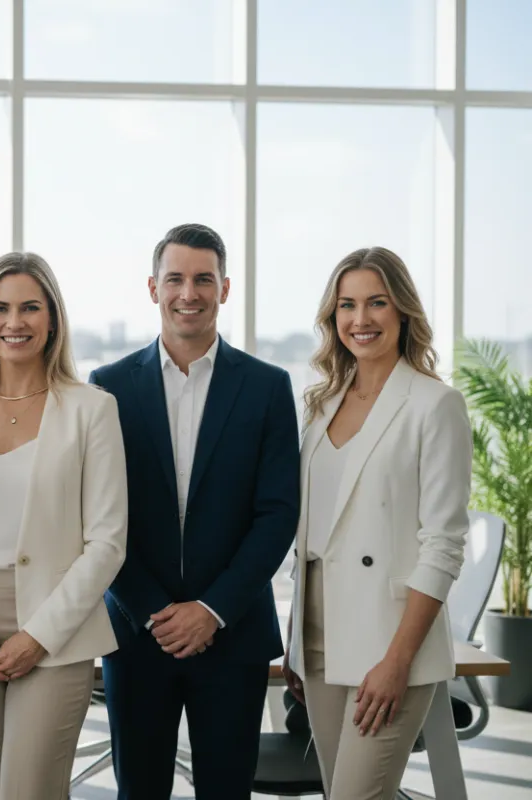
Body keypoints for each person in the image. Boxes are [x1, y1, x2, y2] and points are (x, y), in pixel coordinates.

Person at [90, 223, 300, 799]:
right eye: (176, 278)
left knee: (228, 790)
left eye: (203, 279)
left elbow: (279, 513)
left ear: (225, 288)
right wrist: (156, 609)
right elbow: (98, 516)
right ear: (152, 287)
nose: (189, 293)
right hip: (138, 632)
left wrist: (211, 609)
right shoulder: (105, 387)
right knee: (140, 790)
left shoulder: (268, 386)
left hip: (233, 633)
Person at [0, 252, 127, 799]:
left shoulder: (92, 409)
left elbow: (107, 543)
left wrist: (38, 636)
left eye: (30, 308)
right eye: (1, 308)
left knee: (27, 791)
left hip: (56, 629)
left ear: (53, 319)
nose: (15, 322)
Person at [281, 247, 471, 799]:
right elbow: (313, 537)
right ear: (332, 316)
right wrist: (297, 638)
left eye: (376, 303)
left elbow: (443, 544)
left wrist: (397, 661)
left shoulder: (436, 405)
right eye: (347, 305)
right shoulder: (321, 405)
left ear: (403, 310)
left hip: (388, 641)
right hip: (318, 637)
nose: (360, 319)